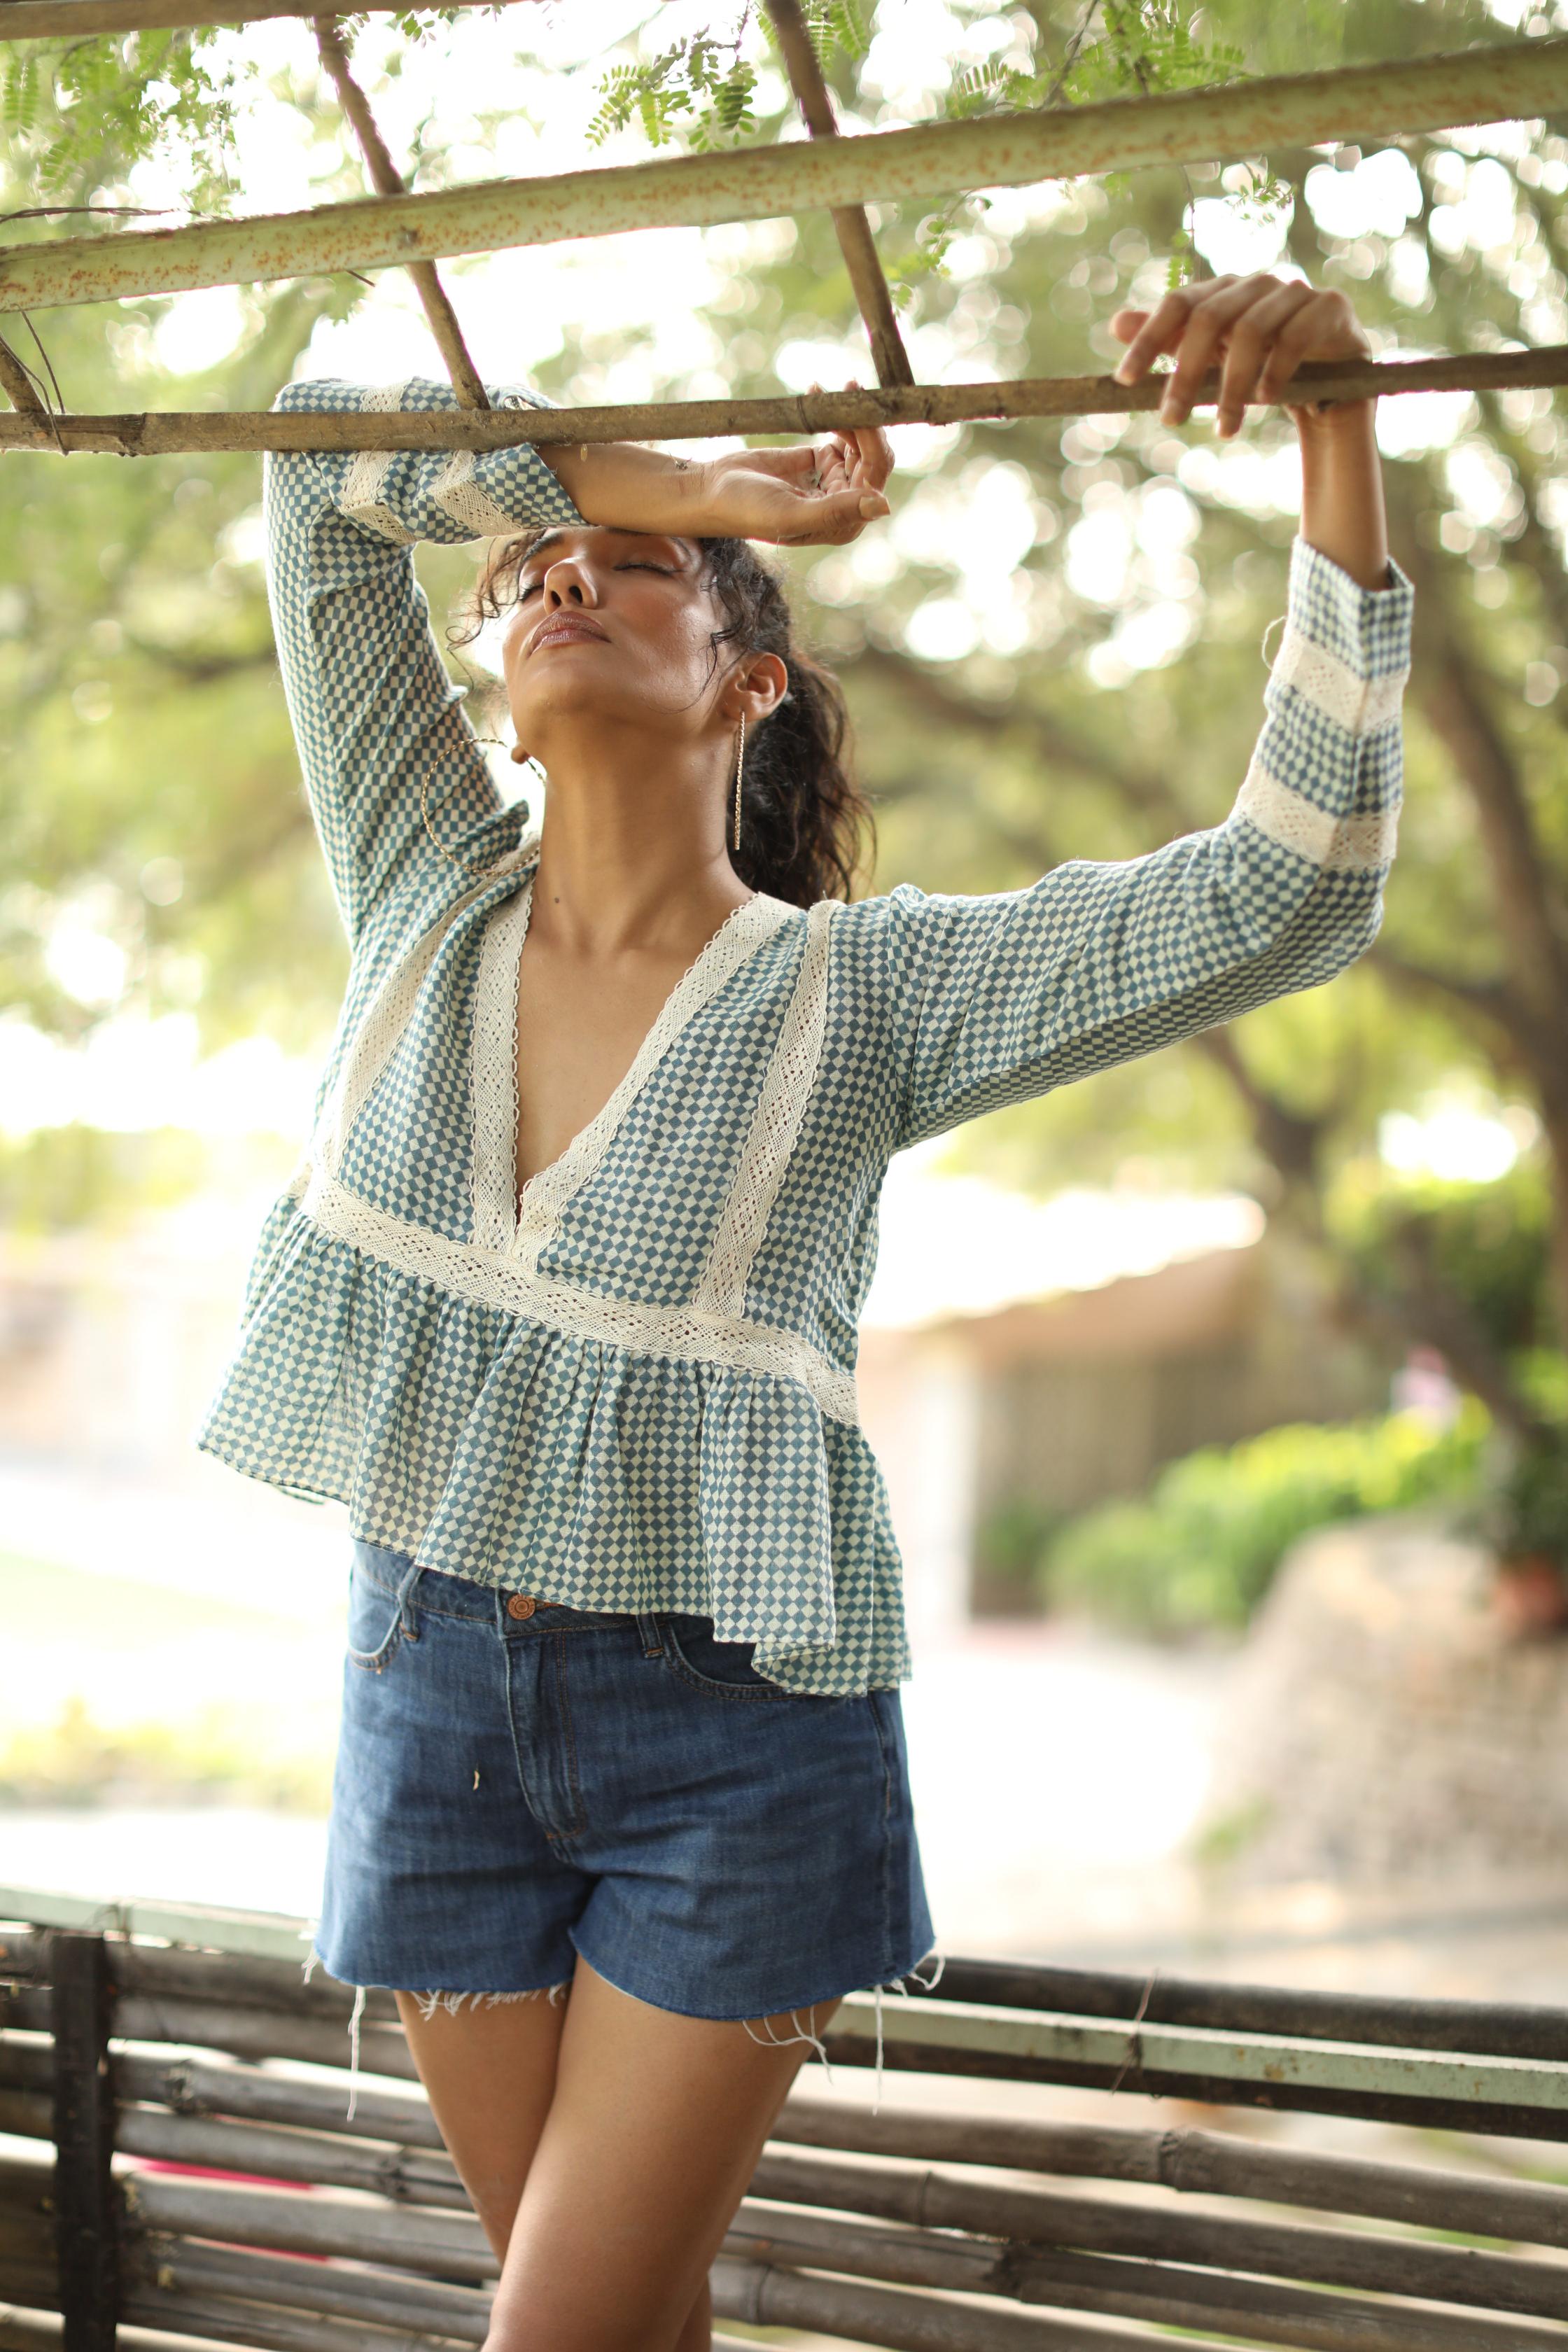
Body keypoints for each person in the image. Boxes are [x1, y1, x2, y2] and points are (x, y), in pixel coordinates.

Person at [196, 270, 1412, 2351]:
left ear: (752, 682)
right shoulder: (417, 880)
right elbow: (318, 455)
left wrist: (1337, 429)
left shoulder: (870, 996)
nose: (563, 572)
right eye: (531, 567)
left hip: (733, 1748)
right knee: (617, 2322)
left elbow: (1283, 890)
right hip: (426, 1707)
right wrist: (678, 475)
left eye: (643, 568)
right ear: (490, 678)